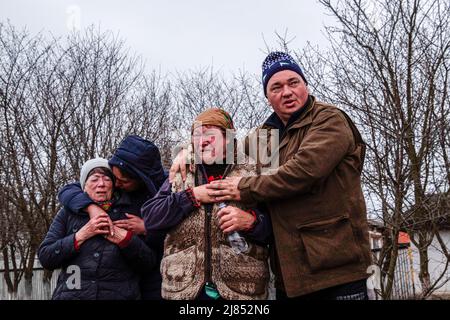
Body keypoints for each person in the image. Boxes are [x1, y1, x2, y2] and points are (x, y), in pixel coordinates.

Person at [172, 52, 372, 300]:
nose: (287, 92)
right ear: (268, 97)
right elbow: (225, 150)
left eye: (293, 82)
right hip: (291, 273)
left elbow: (303, 172)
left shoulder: (329, 119)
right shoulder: (264, 137)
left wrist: (242, 189)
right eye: (276, 87)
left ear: (305, 86)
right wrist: (188, 152)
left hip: (337, 268)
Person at [142, 108, 272, 300]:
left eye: (210, 134)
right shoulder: (181, 172)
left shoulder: (253, 172)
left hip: (242, 291)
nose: (202, 140)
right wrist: (191, 196)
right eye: (197, 135)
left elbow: (279, 228)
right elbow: (150, 218)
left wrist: (251, 222)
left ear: (228, 138)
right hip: (182, 291)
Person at [57, 135, 167, 299]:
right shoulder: (108, 189)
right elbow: (69, 190)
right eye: (114, 178)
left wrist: (146, 228)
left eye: (123, 181)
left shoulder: (166, 190)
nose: (115, 185)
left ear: (141, 179)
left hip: (158, 279)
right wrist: (92, 208)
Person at [38, 158, 156, 300]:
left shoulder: (130, 212)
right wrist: (81, 235)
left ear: (114, 185)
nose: (101, 184)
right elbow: (46, 257)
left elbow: (148, 263)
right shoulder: (68, 213)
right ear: (84, 186)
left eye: (107, 179)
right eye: (94, 179)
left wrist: (126, 240)